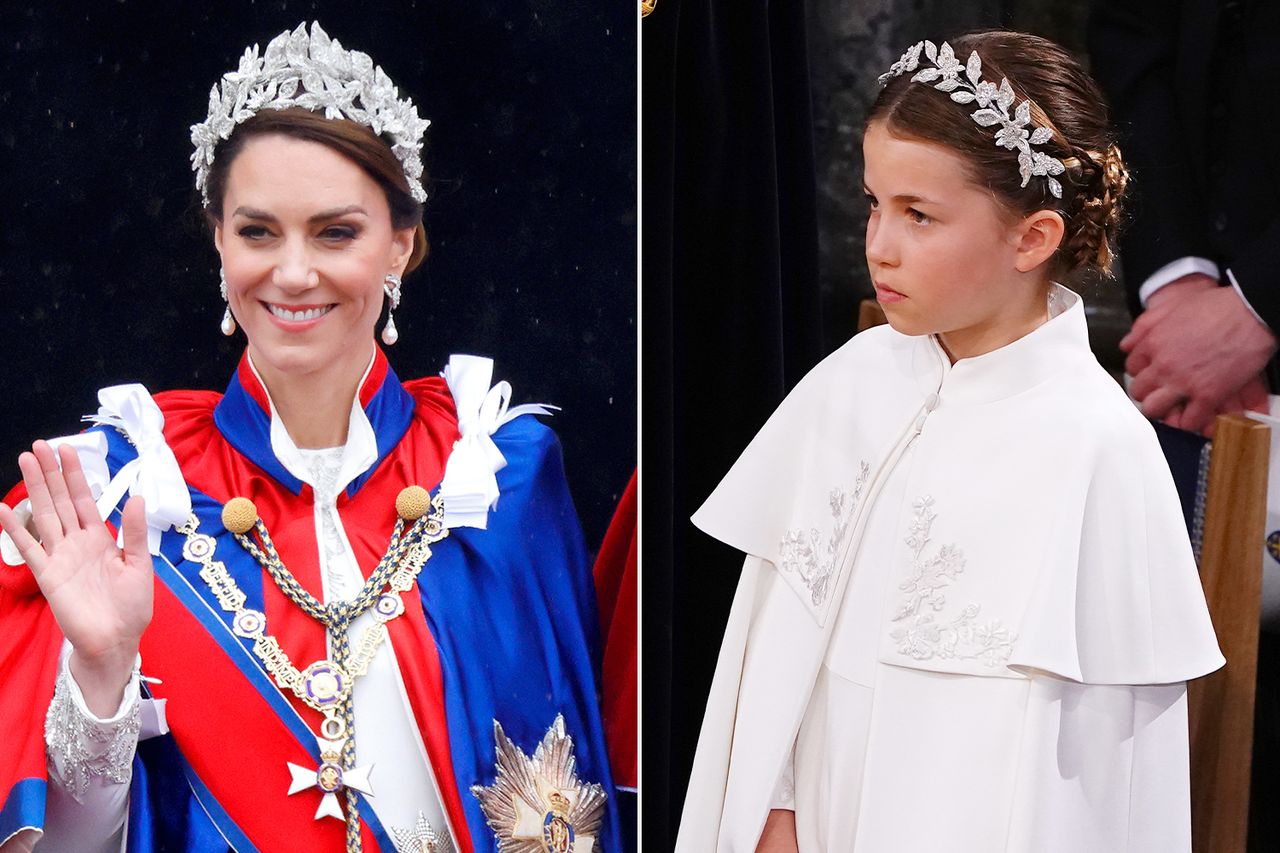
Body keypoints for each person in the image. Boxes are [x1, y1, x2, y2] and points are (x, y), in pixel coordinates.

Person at [0, 22, 618, 853]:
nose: (293, 272)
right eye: (258, 232)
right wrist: (102, 675)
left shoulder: (497, 479)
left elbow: (582, 803)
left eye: (335, 232)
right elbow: (70, 845)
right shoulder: (117, 495)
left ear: (401, 242)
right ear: (218, 240)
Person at [674, 30, 1223, 853]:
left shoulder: (1097, 447)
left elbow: (1098, 786)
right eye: (873, 204)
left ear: (1032, 238)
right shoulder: (850, 382)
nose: (879, 244)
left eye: (919, 215)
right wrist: (773, 807)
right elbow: (774, 646)